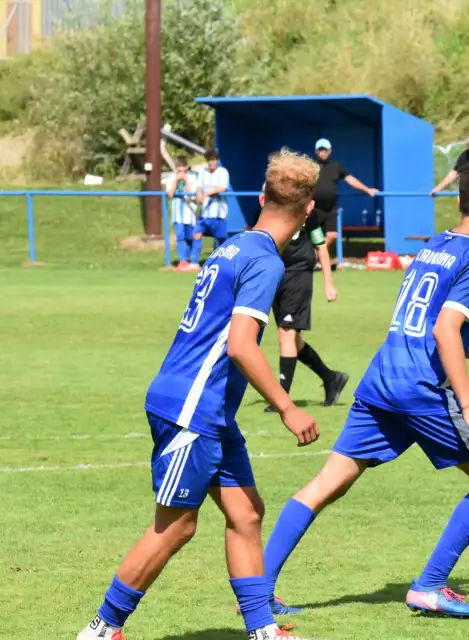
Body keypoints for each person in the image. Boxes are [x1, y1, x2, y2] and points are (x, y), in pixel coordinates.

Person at [76, 149, 322, 640]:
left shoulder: (232, 246)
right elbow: (240, 346)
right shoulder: (265, 262)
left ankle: (262, 630)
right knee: (177, 525)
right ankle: (102, 628)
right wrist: (288, 407)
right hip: (192, 407)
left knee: (246, 511)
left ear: (260, 197)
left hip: (206, 408)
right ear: (309, 208)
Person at [263, 162, 469, 620]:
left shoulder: (435, 245)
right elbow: (443, 329)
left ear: (459, 201)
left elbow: (425, 321)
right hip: (421, 387)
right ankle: (430, 586)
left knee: (327, 483)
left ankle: (256, 587)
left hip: (383, 378)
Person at [265, 184, 349, 411]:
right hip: (278, 279)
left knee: (286, 335)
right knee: (294, 341)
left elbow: (321, 248)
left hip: (299, 278)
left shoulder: (308, 217)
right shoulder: (272, 216)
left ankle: (281, 398)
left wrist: (328, 284)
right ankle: (331, 378)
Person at [311, 138, 378, 252]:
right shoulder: (310, 165)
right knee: (312, 238)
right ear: (316, 151)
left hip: (330, 208)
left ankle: (315, 257)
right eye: (321, 149)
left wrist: (367, 189)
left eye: (325, 149)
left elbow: (351, 180)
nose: (323, 152)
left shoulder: (336, 166)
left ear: (330, 151)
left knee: (332, 235)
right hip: (313, 208)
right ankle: (313, 260)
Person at [190, 149, 229, 267]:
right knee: (197, 233)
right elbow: (198, 186)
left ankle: (222, 262)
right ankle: (194, 263)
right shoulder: (203, 171)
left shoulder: (223, 172)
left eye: (213, 160)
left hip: (218, 211)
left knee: (220, 238)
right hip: (205, 211)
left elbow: (223, 188)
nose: (211, 163)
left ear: (217, 160)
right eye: (209, 160)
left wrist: (207, 194)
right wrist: (198, 195)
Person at [166, 156, 199, 272]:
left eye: (182, 170)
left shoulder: (193, 177)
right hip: (177, 213)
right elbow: (169, 194)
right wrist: (176, 181)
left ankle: (190, 260)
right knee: (179, 236)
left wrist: (185, 181)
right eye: (178, 170)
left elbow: (192, 194)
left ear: (186, 167)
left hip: (189, 213)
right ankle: (182, 261)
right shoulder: (171, 178)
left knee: (190, 237)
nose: (181, 173)